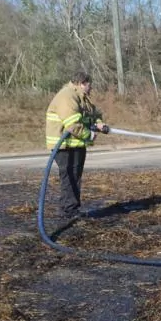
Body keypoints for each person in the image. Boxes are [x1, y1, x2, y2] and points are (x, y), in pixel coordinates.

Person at [45, 71, 109, 219]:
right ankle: (69, 210)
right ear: (82, 83)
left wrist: (99, 123)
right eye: (89, 85)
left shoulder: (81, 97)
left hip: (76, 144)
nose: (91, 88)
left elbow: (93, 114)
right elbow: (72, 124)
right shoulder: (67, 97)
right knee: (69, 177)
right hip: (64, 146)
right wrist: (89, 135)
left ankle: (71, 208)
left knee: (75, 176)